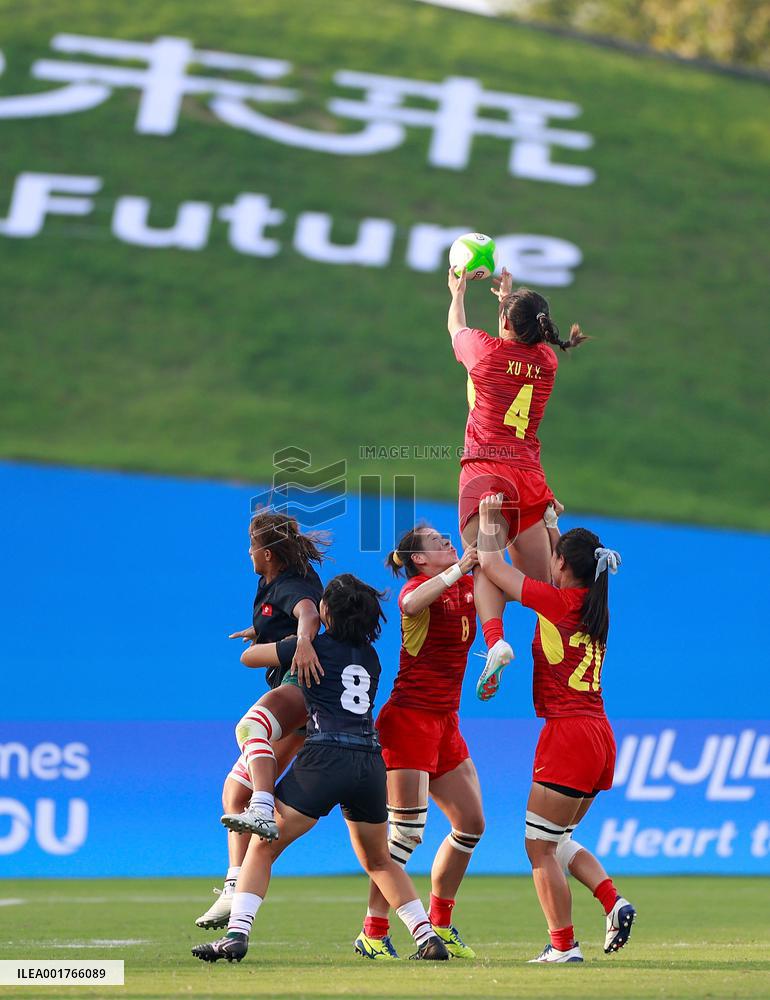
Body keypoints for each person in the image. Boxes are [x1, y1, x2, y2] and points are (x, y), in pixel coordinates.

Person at [192, 574, 450, 964]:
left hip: (324, 757)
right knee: (379, 861)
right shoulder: (371, 658)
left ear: (325, 611)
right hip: (368, 762)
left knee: (261, 847)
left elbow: (249, 657)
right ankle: (427, 937)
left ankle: (237, 934)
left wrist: (300, 639)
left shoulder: (309, 647)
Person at [476, 493, 636, 962]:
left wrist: (487, 518)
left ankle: (563, 946)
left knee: (538, 848)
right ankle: (613, 901)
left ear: (563, 565)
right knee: (557, 840)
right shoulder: (592, 604)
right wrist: (549, 526)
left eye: (556, 558)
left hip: (567, 734)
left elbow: (490, 564)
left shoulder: (558, 603)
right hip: (598, 735)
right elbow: (561, 564)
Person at [447, 265, 585, 701]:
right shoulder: (548, 361)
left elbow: (458, 329)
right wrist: (507, 306)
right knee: (542, 582)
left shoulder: (483, 353)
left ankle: (495, 641)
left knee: (481, 559)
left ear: (506, 324)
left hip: (485, 471)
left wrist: (457, 292)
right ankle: (571, 662)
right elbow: (512, 355)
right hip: (529, 478)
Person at [354, 525, 484, 960]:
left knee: (471, 824)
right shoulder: (417, 590)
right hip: (409, 721)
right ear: (419, 560)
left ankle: (442, 923)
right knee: (405, 836)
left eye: (446, 536)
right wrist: (460, 567)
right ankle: (373, 933)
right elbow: (409, 602)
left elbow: (498, 560)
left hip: (446, 722)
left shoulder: (467, 579)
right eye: (436, 541)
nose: (447, 541)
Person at [195, 511, 326, 930]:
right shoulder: (270, 583)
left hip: (301, 686)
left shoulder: (292, 584)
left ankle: (265, 809)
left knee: (250, 729)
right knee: (234, 794)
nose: (248, 552)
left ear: (267, 553)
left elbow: (308, 611)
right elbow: (285, 615)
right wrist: (262, 633)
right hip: (297, 702)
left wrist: (301, 640)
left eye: (252, 546)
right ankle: (235, 887)